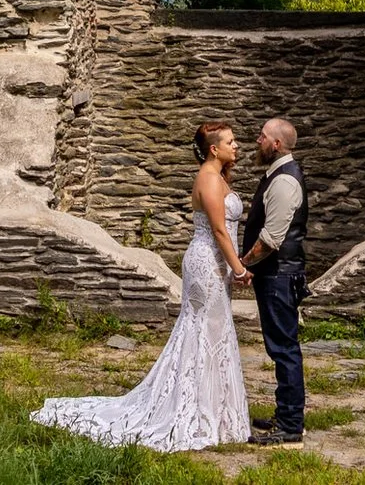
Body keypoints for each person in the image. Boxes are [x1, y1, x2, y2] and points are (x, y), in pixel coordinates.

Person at [31, 120, 252, 450]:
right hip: (208, 264)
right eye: (231, 142)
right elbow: (219, 230)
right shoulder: (207, 178)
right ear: (213, 149)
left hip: (217, 264)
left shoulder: (218, 177)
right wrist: (239, 269)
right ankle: (193, 407)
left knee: (214, 333)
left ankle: (214, 409)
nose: (237, 146)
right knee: (202, 331)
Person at [237, 116, 308, 446]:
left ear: (276, 144)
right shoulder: (276, 176)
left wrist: (243, 264)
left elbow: (271, 239)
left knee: (284, 349)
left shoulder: (284, 182)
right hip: (276, 274)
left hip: (279, 276)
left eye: (262, 136)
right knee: (279, 346)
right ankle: (286, 412)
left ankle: (291, 425)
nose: (257, 141)